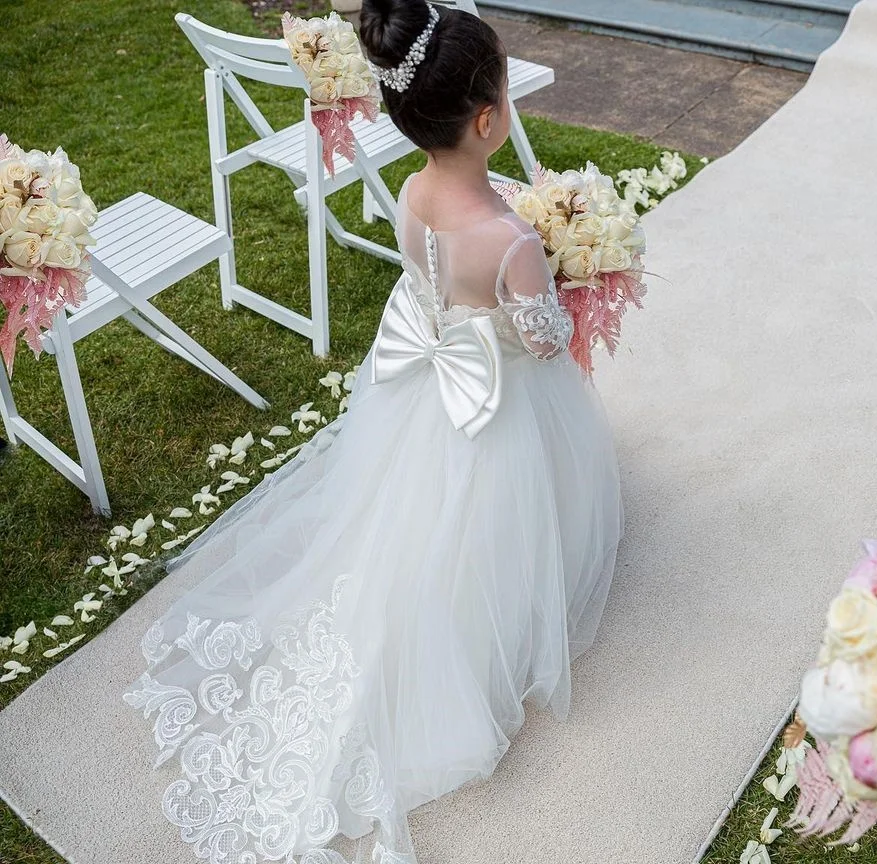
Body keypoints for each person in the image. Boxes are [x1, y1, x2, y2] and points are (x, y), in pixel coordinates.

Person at [122, 2, 623, 862]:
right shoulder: (510, 242)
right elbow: (541, 340)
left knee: (403, 514)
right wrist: (570, 276)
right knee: (483, 533)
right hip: (489, 403)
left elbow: (430, 282)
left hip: (421, 387)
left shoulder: (416, 194)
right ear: (489, 117)